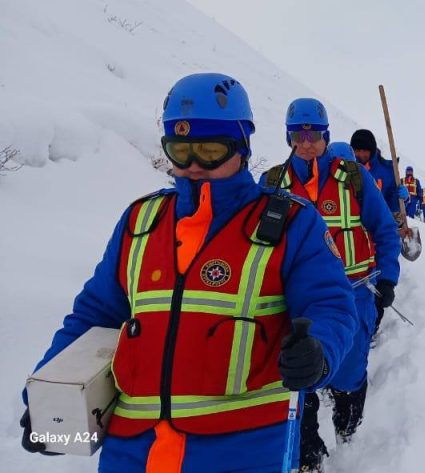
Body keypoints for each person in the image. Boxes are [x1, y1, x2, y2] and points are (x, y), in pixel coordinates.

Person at [20, 73, 360, 472]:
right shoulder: (140, 221)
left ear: (242, 146)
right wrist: (46, 404)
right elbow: (93, 317)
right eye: (179, 152)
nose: (194, 165)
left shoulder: (292, 224)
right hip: (133, 449)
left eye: (210, 150)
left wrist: (319, 352)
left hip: (243, 450)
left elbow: (332, 306)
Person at [261, 105, 401, 471]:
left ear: (326, 135)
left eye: (314, 135)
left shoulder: (353, 177)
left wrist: (387, 278)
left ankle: (348, 423)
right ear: (288, 137)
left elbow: (384, 229)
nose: (307, 144)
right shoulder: (273, 183)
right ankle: (309, 450)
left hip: (354, 292)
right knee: (297, 374)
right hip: (296, 299)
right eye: (298, 136)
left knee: (350, 371)